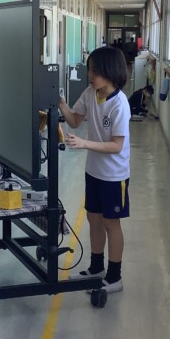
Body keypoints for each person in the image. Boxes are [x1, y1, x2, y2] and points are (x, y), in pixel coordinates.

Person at [58, 46, 130, 293]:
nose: (90, 75)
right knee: (94, 219)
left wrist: (84, 143)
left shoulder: (119, 104)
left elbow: (117, 146)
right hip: (94, 172)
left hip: (114, 176)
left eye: (95, 71)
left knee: (111, 224)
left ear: (111, 72)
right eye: (90, 70)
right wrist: (61, 103)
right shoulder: (91, 93)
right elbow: (74, 120)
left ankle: (115, 277)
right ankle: (96, 267)